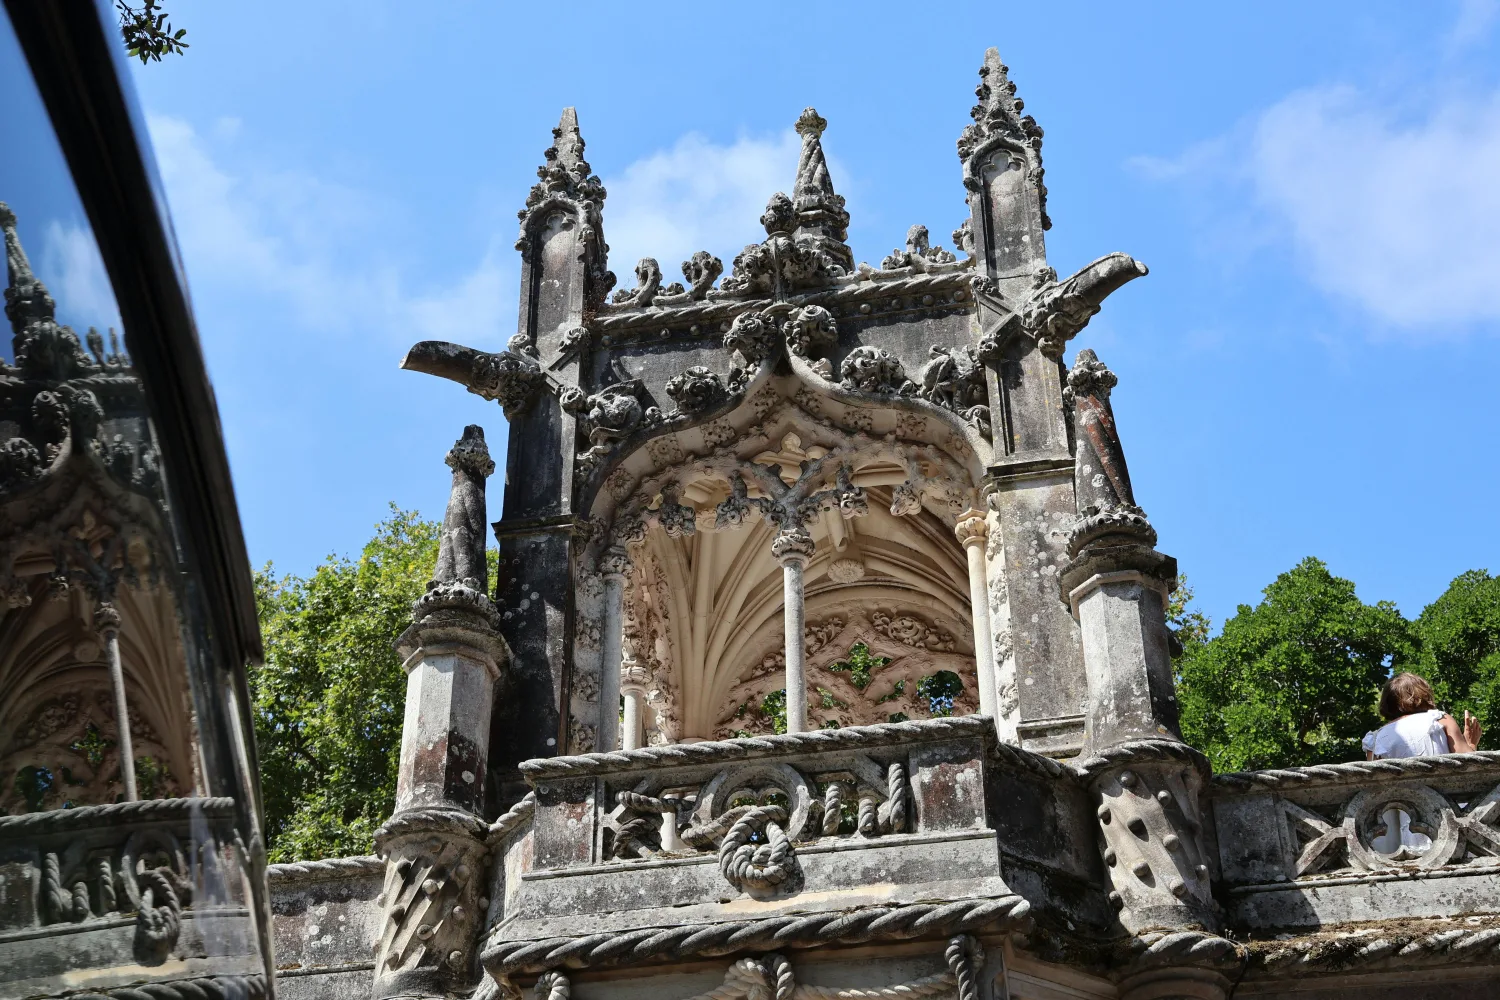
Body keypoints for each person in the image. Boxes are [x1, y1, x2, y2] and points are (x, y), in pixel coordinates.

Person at [1363, 672, 1483, 760]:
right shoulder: (1440, 719)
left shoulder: (1374, 740)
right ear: (1423, 693)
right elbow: (1470, 765)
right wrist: (1471, 745)